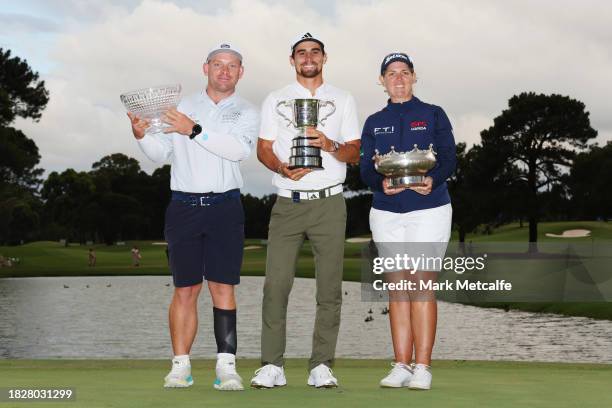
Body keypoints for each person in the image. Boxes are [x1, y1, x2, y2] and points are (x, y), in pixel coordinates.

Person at [127, 42, 259, 391]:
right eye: (218, 64)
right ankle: (180, 366)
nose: (224, 71)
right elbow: (158, 153)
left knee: (222, 286)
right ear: (206, 68)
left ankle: (226, 367)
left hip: (226, 206)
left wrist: (194, 129)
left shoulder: (246, 111)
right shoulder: (179, 107)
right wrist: (141, 135)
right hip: (183, 207)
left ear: (240, 72)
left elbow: (239, 150)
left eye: (232, 65)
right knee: (185, 288)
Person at [251, 32, 360, 389]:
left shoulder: (342, 99)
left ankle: (321, 365)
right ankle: (272, 365)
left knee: (329, 289)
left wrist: (329, 144)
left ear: (324, 59)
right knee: (276, 285)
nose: (308, 57)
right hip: (288, 202)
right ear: (292, 60)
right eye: (302, 53)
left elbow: (354, 152)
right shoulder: (275, 99)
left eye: (315, 52)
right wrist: (281, 167)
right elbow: (264, 148)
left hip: (329, 202)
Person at [360, 52, 456, 390]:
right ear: (382, 81)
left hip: (428, 210)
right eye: (391, 74)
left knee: (420, 285)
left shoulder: (432, 114)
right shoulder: (374, 122)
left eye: (404, 73)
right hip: (386, 212)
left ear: (414, 77)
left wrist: (435, 179)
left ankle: (423, 367)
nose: (398, 79)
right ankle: (401, 364)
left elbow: (448, 158)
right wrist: (378, 182)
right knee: (397, 287)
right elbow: (364, 169)